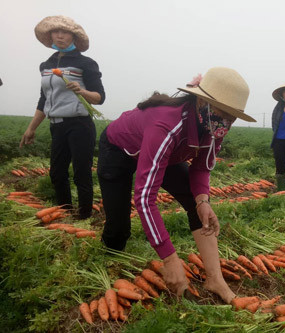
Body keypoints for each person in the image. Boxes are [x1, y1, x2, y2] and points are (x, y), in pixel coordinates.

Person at [97, 67, 256, 303]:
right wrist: (169, 259)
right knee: (118, 228)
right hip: (119, 150)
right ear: (202, 101)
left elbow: (201, 167)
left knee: (197, 203)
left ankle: (215, 279)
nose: (226, 122)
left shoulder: (214, 127)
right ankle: (109, 267)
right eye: (223, 113)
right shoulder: (167, 124)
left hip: (166, 153)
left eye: (232, 117)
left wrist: (202, 201)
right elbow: (144, 197)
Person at [20, 16, 105, 219]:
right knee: (57, 173)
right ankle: (65, 212)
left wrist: (82, 92)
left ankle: (84, 215)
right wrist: (31, 128)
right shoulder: (46, 65)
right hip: (56, 125)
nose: (59, 35)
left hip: (79, 125)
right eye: (55, 32)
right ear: (50, 36)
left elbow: (100, 97)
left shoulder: (85, 63)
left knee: (81, 173)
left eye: (64, 32)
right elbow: (44, 100)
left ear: (73, 36)